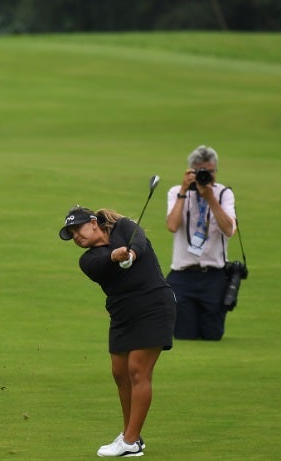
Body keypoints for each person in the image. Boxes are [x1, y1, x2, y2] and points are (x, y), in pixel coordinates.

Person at [59, 206, 175, 457]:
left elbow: (140, 240)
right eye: (71, 234)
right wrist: (116, 256)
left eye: (77, 229)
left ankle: (131, 441)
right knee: (120, 373)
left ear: (93, 222)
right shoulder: (87, 259)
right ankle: (129, 436)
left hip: (153, 306)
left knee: (137, 370)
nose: (76, 237)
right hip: (122, 315)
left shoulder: (124, 226)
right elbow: (102, 263)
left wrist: (130, 252)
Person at [165, 145, 236, 340]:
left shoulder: (223, 194)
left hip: (213, 275)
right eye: (201, 172)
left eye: (210, 172)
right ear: (191, 171)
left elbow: (229, 230)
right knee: (184, 334)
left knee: (212, 335)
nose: (207, 176)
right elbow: (172, 225)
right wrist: (183, 191)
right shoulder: (176, 192)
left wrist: (211, 198)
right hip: (183, 275)